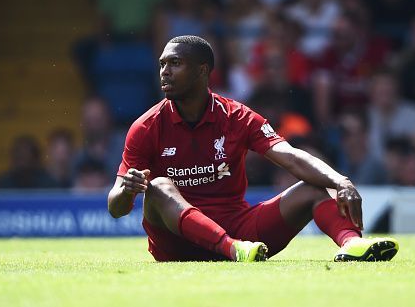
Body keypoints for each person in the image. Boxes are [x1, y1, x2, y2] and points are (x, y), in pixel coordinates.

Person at [108, 35, 399, 262]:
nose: (165, 72)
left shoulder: (236, 116)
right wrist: (127, 191)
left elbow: (290, 157)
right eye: (162, 64)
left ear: (202, 70)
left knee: (314, 187)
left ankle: (352, 243)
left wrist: (341, 181)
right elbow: (116, 208)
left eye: (174, 63)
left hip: (243, 234)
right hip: (179, 244)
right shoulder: (146, 126)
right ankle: (231, 249)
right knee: (158, 187)